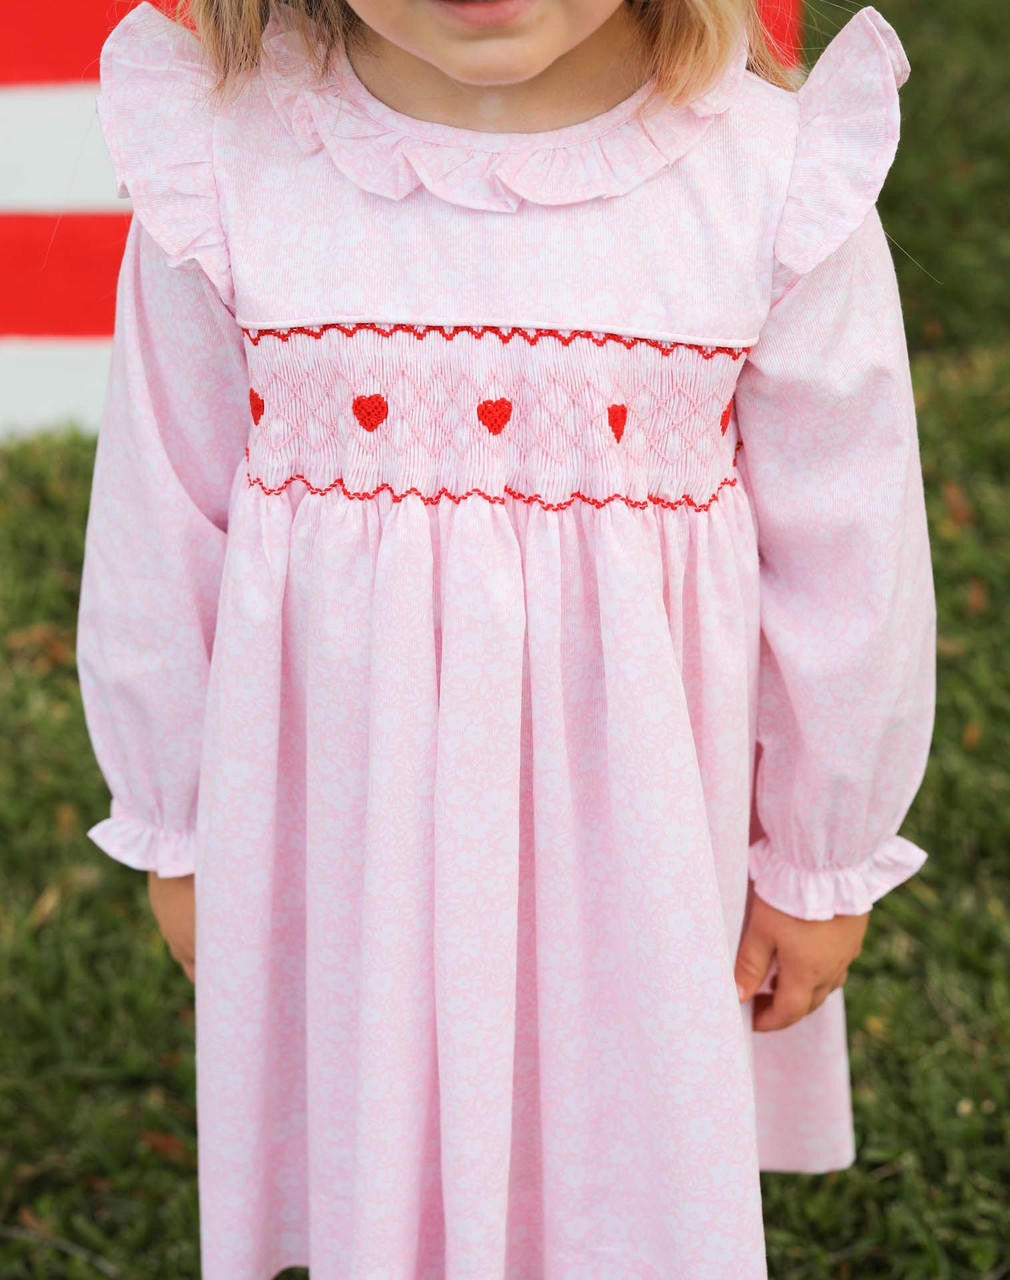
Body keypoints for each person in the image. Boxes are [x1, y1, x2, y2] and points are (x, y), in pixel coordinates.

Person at [75, 0, 936, 1274]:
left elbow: (846, 554)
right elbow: (164, 510)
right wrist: (181, 817)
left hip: (631, 840)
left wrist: (815, 851)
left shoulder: (763, 180)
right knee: (388, 1139)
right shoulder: (230, 167)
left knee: (617, 1155)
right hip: (354, 827)